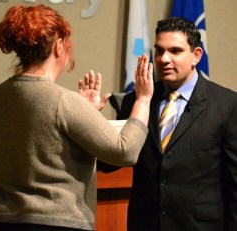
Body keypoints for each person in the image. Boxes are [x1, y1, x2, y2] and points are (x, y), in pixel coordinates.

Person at [0, 4, 153, 231]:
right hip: (57, 224)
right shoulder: (63, 101)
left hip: (0, 223)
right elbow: (125, 151)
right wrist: (143, 100)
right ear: (59, 46)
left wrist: (85, 112)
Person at [98, 17, 237, 231]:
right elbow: (110, 162)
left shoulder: (227, 104)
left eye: (175, 51)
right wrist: (89, 118)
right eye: (159, 51)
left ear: (196, 56)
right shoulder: (134, 101)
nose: (164, 59)